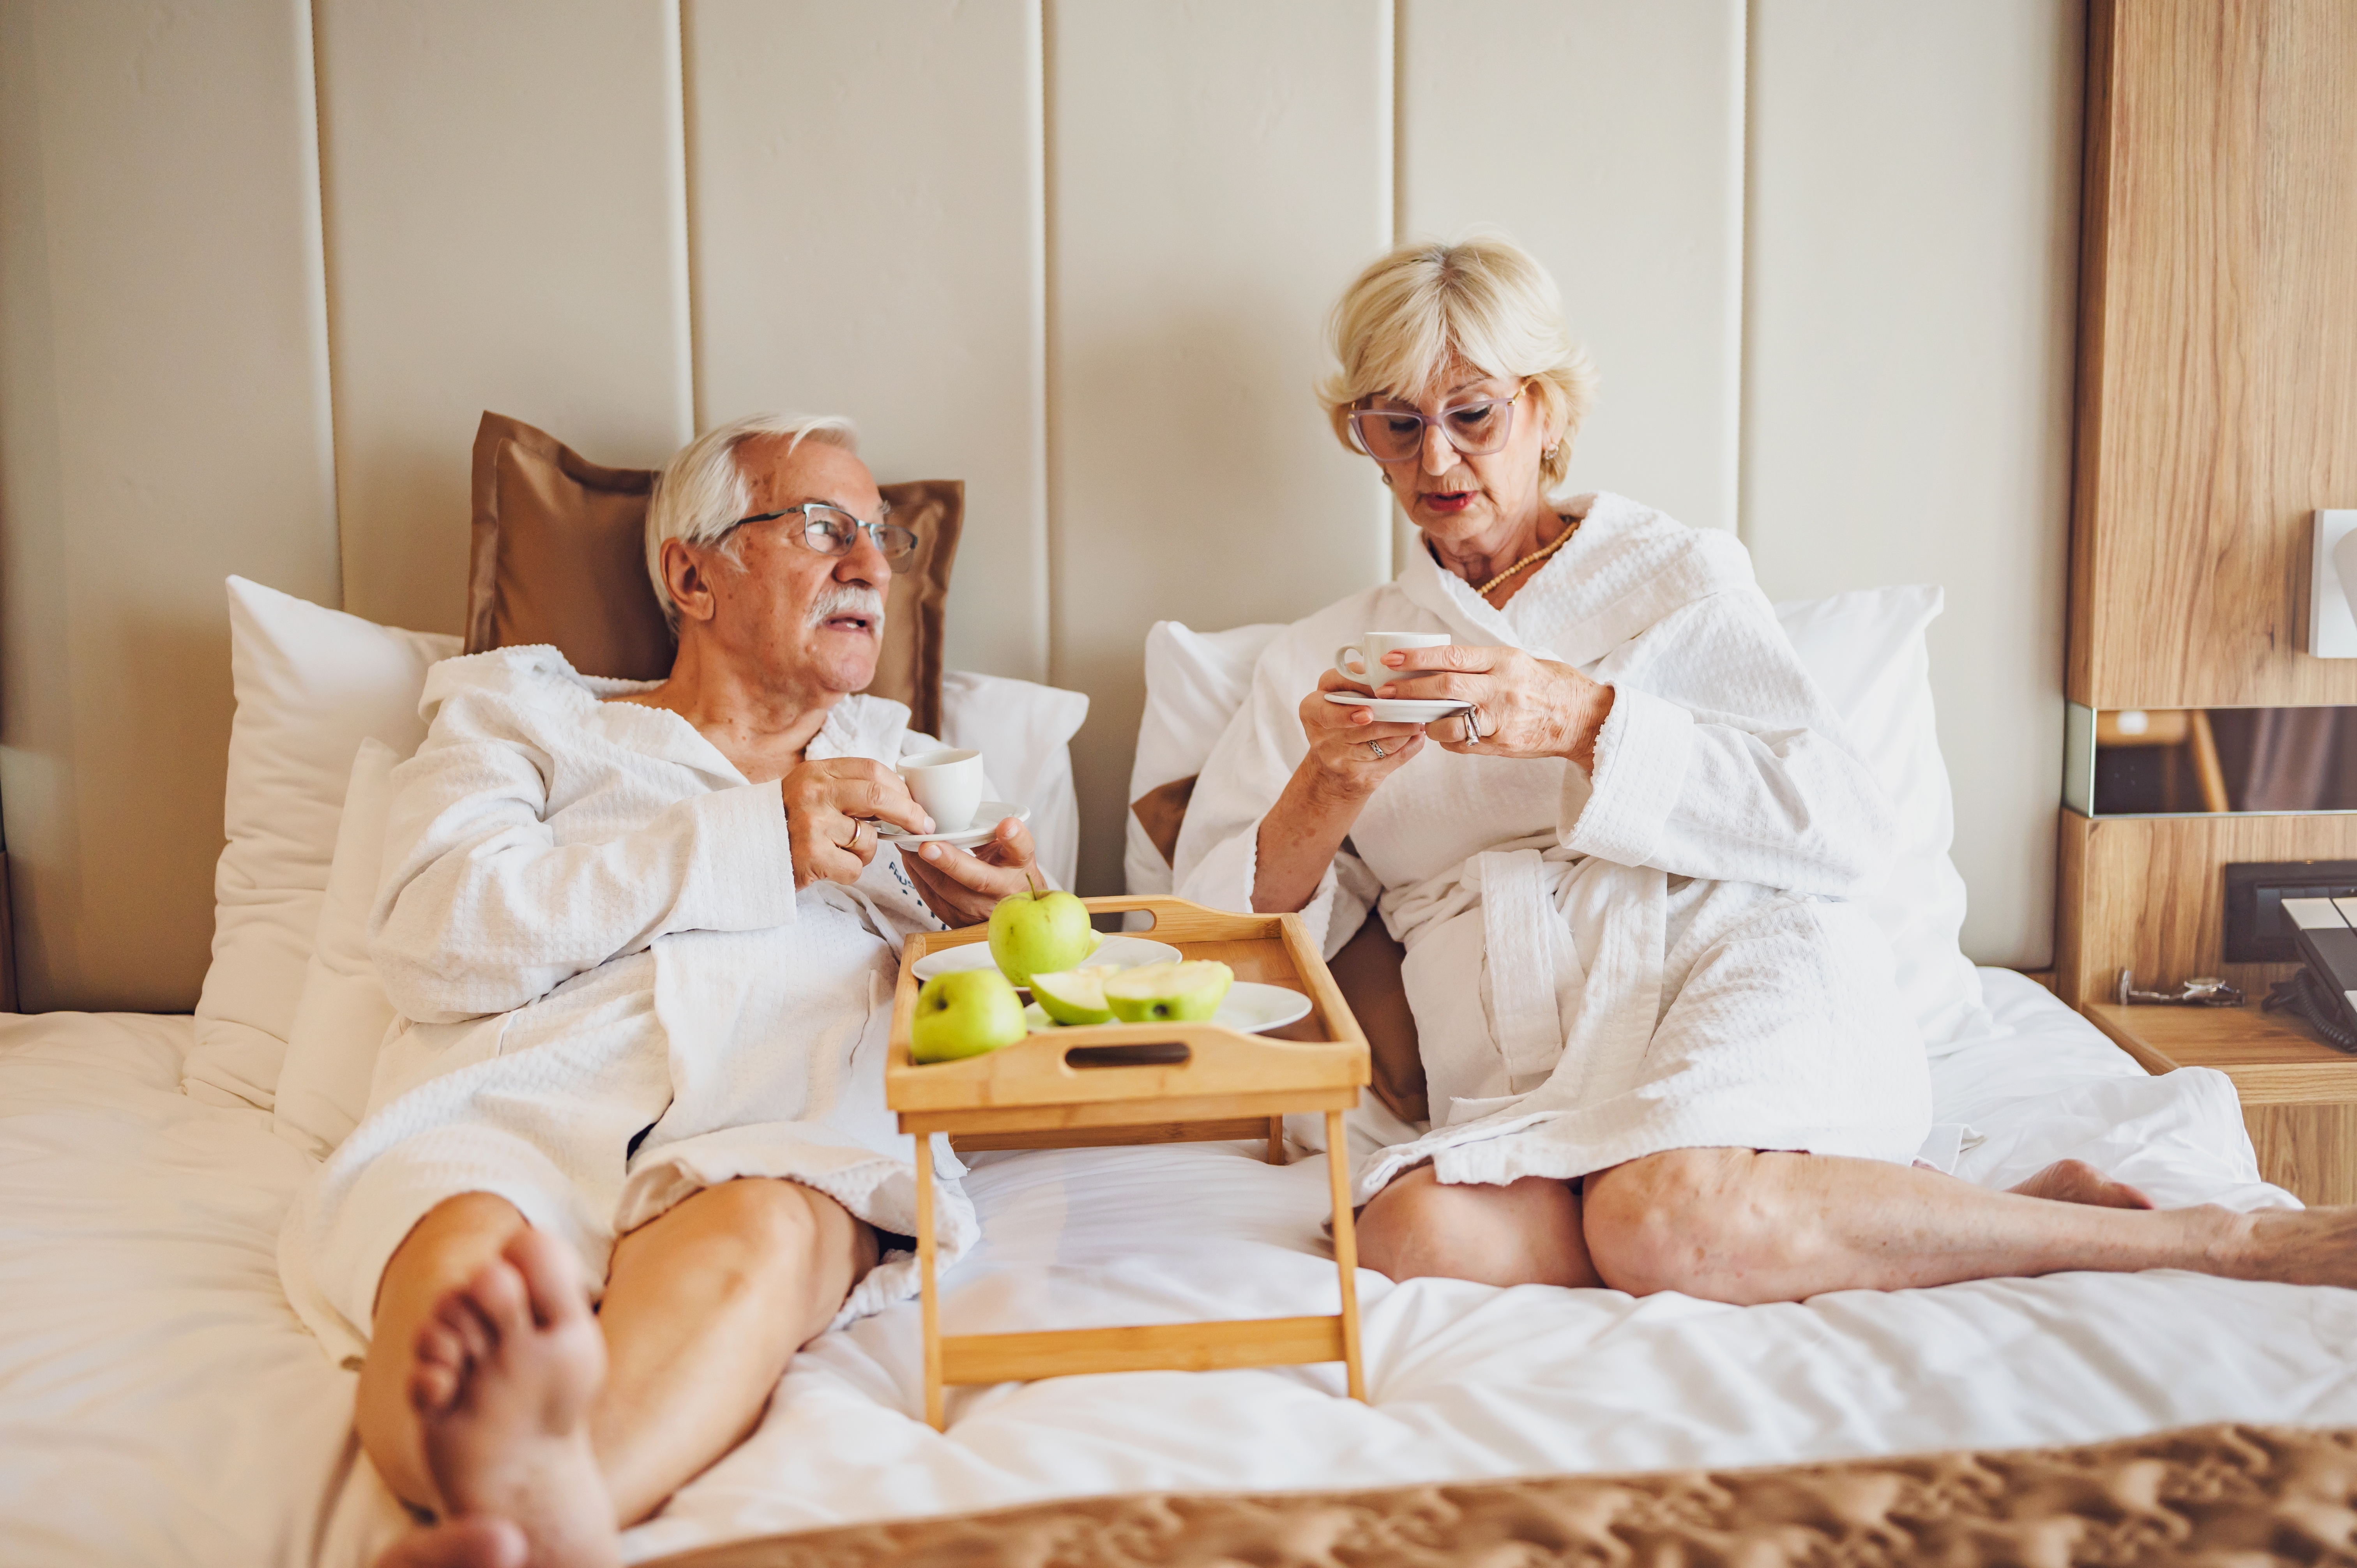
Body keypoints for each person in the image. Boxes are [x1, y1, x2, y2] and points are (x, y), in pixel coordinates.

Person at [1173, 233, 2357, 1303]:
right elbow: (1218, 950)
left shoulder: (1675, 577)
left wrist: (1588, 719)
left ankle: (2207, 1243)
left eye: (1473, 414)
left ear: (1542, 411)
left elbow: (1841, 823)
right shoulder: (1320, 662)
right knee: (1416, 1242)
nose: (1437, 458)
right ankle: (1916, 1215)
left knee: (1665, 1220)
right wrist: (1325, 787)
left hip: (1728, 958)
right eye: (1397, 423)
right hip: (1526, 1049)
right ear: (1360, 437)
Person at [278, 415, 1043, 1568]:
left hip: (772, 1119)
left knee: (771, 1230)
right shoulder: (528, 718)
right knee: (465, 1267)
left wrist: (1006, 933)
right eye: (825, 529)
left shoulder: (911, 775)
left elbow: (1009, 1049)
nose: (873, 567)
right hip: (520, 1102)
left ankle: (543, 1512)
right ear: (693, 572)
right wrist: (756, 838)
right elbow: (432, 934)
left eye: (881, 539)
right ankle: (531, 1508)